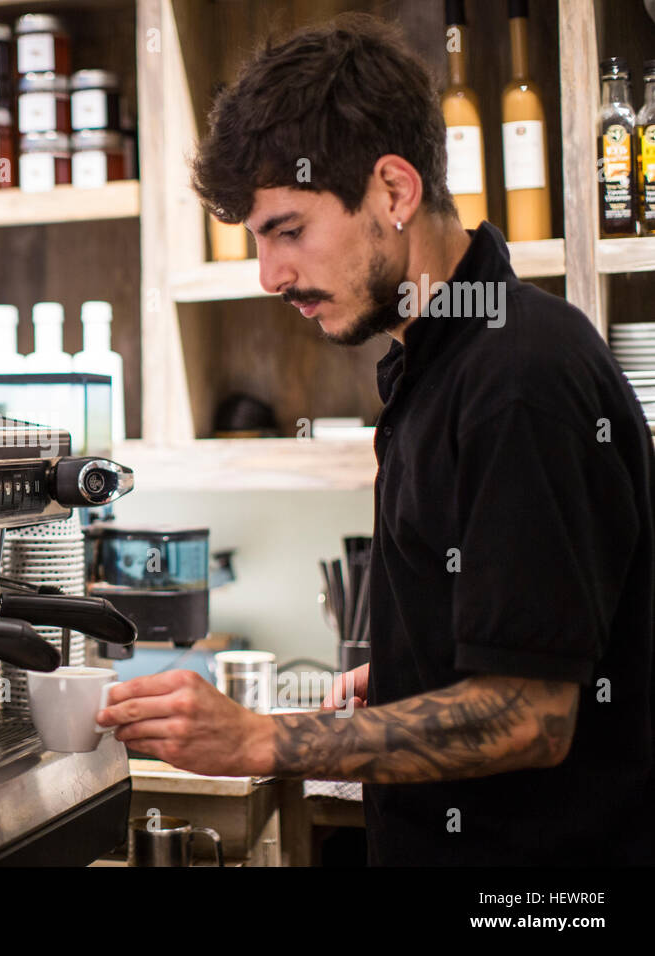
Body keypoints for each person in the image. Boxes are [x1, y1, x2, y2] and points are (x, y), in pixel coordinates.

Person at [96, 13, 654, 865]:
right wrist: (415, 670)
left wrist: (264, 742)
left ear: (395, 192)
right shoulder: (433, 364)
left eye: (289, 229)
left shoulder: (521, 377)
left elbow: (530, 717)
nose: (269, 276)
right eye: (257, 240)